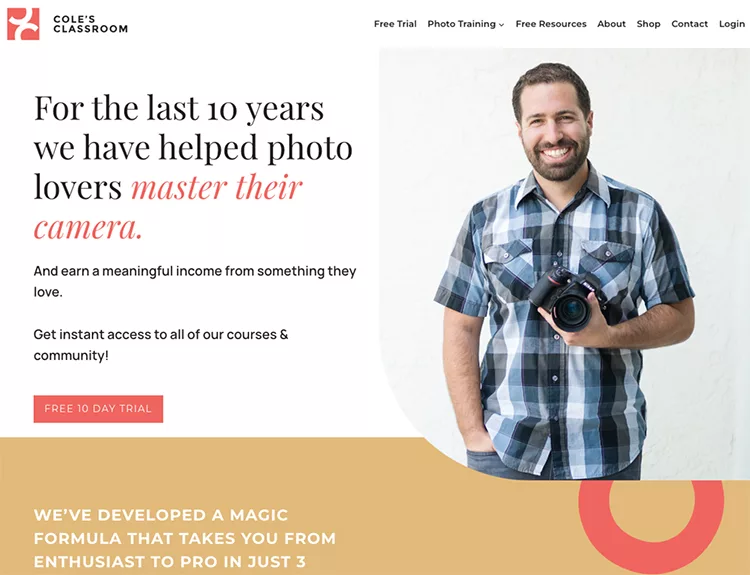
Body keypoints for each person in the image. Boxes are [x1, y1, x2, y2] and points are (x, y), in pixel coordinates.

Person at [434, 63, 695, 480]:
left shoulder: (639, 213)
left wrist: (608, 336)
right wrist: (473, 434)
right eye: (537, 120)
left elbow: (681, 318)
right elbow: (460, 328)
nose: (553, 135)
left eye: (565, 117)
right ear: (520, 130)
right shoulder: (486, 218)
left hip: (607, 448)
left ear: (589, 121)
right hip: (507, 450)